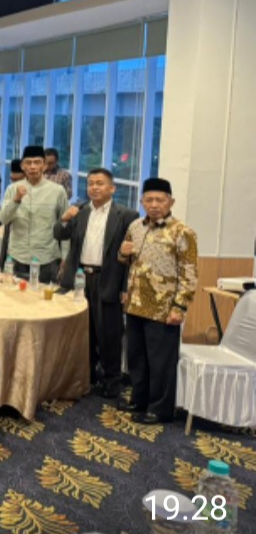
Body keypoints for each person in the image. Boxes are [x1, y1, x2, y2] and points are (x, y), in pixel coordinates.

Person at [118, 177, 198, 424]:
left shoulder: (182, 232)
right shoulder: (135, 227)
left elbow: (190, 273)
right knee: (137, 358)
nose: (154, 205)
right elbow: (126, 261)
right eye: (149, 200)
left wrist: (180, 306)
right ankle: (139, 400)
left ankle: (160, 409)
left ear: (170, 202)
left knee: (160, 362)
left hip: (163, 308)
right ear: (142, 201)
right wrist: (121, 253)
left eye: (160, 200)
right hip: (135, 304)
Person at [54, 168, 139, 399]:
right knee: (84, 330)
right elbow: (59, 235)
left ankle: (112, 380)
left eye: (100, 183)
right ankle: (88, 375)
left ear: (112, 188)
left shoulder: (126, 215)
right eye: (90, 183)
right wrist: (64, 219)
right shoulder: (80, 211)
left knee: (109, 332)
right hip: (80, 278)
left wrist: (125, 288)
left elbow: (131, 256)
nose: (94, 187)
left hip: (108, 279)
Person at [0, 145, 68, 284]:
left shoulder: (57, 191)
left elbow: (65, 226)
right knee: (13, 295)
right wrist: (16, 199)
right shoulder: (12, 189)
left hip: (46, 258)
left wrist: (65, 256)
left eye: (37, 162)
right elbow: (3, 219)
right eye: (28, 163)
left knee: (43, 296)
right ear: (22, 166)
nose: (33, 167)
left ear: (45, 165)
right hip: (17, 256)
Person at [0, 158, 25, 265]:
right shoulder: (10, 189)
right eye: (12, 180)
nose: (15, 183)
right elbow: (3, 215)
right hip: (10, 226)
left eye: (18, 180)